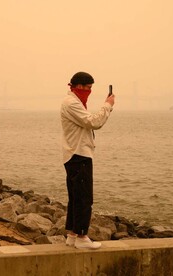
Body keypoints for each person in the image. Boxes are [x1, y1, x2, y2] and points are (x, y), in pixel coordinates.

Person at [61, 72, 115, 249]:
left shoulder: (74, 102)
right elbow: (93, 122)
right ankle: (82, 237)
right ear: (79, 86)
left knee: (76, 197)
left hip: (74, 154)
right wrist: (107, 106)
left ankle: (72, 234)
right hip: (79, 154)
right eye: (88, 88)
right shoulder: (72, 103)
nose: (89, 91)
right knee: (84, 197)